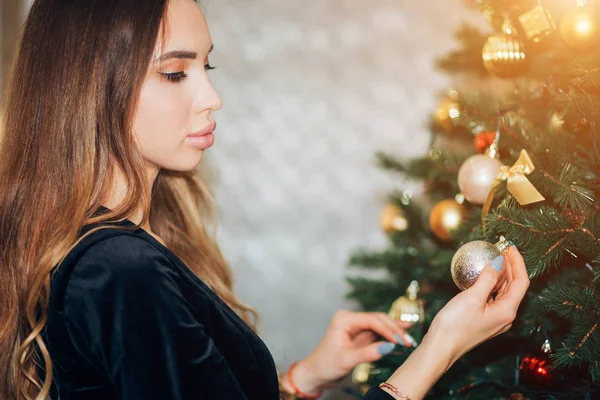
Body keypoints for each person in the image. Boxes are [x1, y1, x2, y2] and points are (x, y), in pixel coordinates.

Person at [0, 0, 529, 399]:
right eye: (173, 73)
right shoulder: (119, 269)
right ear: (90, 87)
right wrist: (442, 348)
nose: (211, 97)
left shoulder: (104, 251)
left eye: (206, 68)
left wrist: (302, 379)